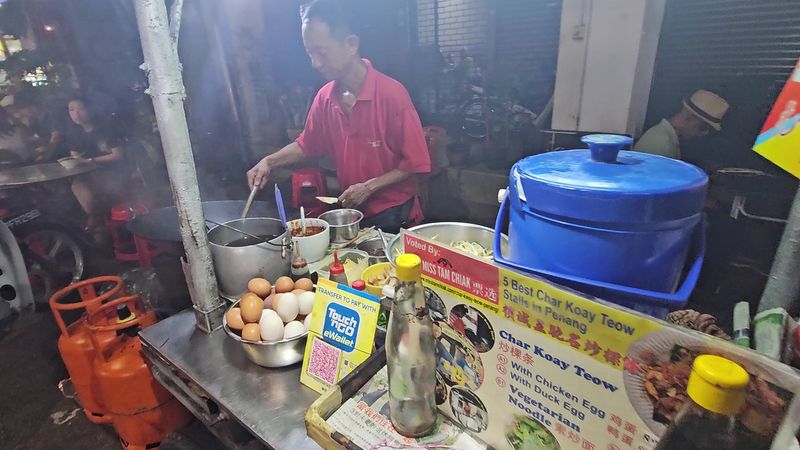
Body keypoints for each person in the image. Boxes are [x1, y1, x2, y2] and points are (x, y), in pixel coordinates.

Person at [246, 0, 431, 232]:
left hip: (395, 216)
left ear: (351, 44)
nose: (314, 63)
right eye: (309, 53)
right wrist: (268, 162)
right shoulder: (324, 97)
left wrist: (369, 187)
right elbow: (306, 145)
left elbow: (417, 164)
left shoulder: (392, 94)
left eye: (321, 52)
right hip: (353, 215)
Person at [64, 97, 127, 235]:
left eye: (81, 108)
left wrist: (91, 160)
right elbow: (75, 156)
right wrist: (75, 160)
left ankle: (96, 223)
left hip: (115, 174)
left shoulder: (106, 128)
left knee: (83, 185)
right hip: (90, 174)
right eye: (72, 110)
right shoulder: (74, 133)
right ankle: (97, 222)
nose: (76, 114)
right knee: (77, 184)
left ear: (90, 109)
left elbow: (117, 155)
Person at [634, 90, 729, 160]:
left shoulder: (664, 137)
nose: (703, 134)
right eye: (703, 128)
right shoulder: (662, 145)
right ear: (689, 119)